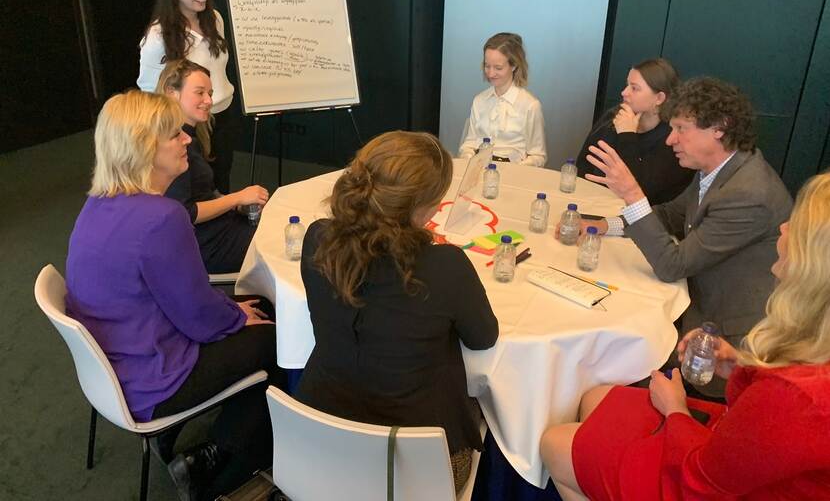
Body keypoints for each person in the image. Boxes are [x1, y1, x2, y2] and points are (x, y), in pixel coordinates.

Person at [540, 171, 830, 501]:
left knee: (555, 443)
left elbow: (701, 482)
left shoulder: (798, 398)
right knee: (596, 397)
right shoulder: (816, 343)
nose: (783, 227)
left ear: (814, 264)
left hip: (706, 480)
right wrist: (735, 366)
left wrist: (675, 409)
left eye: (797, 227)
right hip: (736, 454)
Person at [64, 90, 284, 501]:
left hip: (113, 363)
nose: (187, 138)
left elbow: (183, 300)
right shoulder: (161, 217)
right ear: (143, 148)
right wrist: (238, 316)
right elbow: (200, 319)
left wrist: (230, 311)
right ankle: (218, 466)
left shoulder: (98, 203)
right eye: (174, 135)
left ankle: (196, 441)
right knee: (278, 340)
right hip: (150, 379)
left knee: (248, 314)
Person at [295, 131, 499, 493]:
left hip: (322, 442)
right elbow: (484, 338)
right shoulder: (445, 266)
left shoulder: (317, 238)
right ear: (428, 208)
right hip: (418, 469)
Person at [579, 77, 792, 394]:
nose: (670, 140)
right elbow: (671, 215)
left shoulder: (748, 193)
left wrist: (633, 194)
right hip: (698, 308)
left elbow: (671, 265)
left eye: (681, 129)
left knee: (606, 358)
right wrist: (604, 225)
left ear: (719, 127)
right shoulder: (720, 170)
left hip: (723, 346)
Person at [138, 0, 237, 194]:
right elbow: (149, 92)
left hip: (223, 114)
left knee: (222, 177)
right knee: (197, 186)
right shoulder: (158, 36)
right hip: (188, 125)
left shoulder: (214, 19)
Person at [157, 59, 268, 273]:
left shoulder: (189, 136)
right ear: (172, 92)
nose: (209, 100)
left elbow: (202, 194)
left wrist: (235, 205)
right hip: (206, 244)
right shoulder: (173, 146)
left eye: (210, 93)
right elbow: (185, 212)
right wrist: (236, 198)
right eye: (200, 93)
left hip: (216, 229)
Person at [576, 58, 694, 204]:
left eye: (634, 88)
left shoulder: (673, 137)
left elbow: (642, 189)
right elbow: (584, 164)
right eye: (627, 85)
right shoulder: (613, 117)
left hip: (642, 216)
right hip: (594, 202)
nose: (624, 92)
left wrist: (627, 135)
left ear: (659, 98)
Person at [458, 32, 547, 166]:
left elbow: (538, 156)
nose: (491, 73)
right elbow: (469, 144)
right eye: (487, 66)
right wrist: (468, 158)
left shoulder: (530, 105)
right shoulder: (479, 100)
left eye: (498, 68)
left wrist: (516, 169)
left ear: (514, 65)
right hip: (478, 168)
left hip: (514, 173)